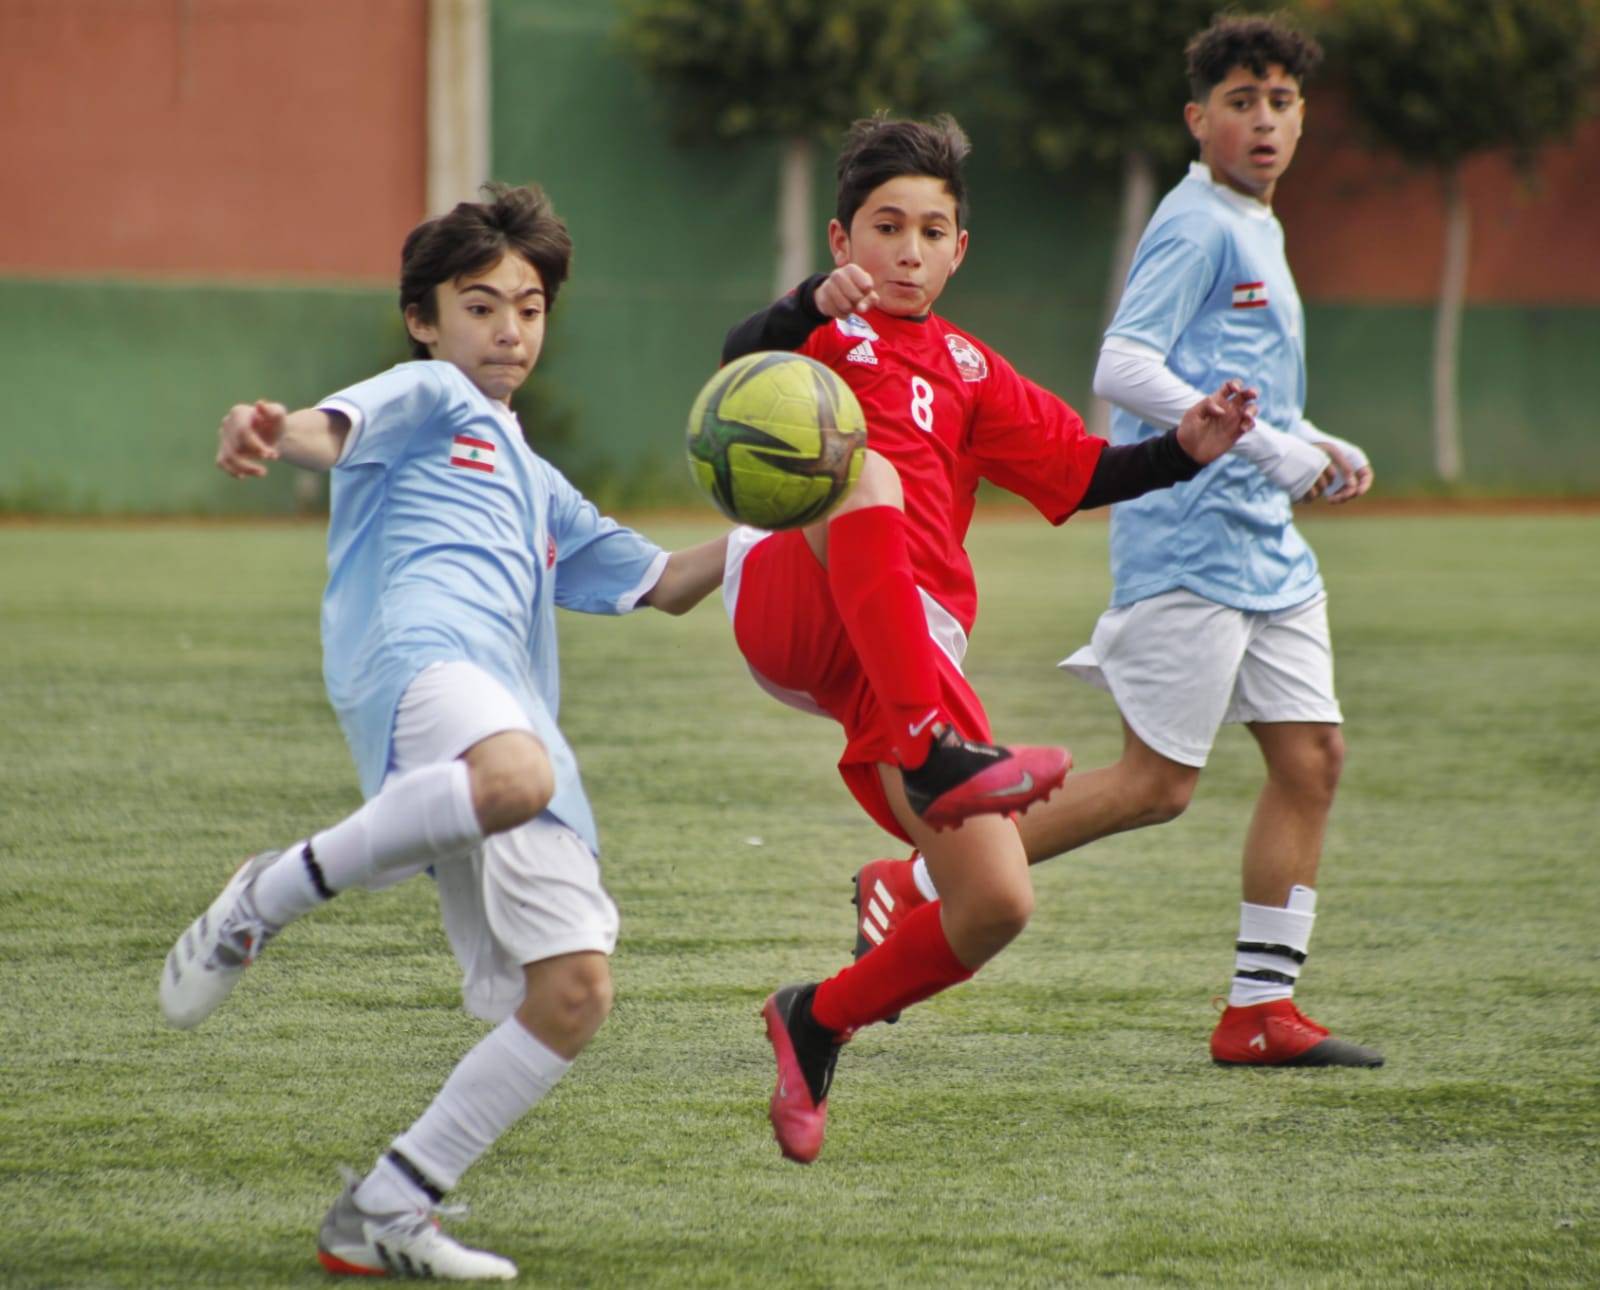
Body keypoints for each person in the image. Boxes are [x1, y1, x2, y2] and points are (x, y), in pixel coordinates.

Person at [158, 183, 728, 1280]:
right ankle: (267, 894)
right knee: (512, 775)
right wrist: (271, 429)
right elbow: (331, 430)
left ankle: (385, 1208)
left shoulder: (538, 481)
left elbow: (661, 582)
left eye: (529, 308)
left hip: (513, 708)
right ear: (424, 319)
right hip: (424, 662)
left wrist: (790, 525)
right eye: (480, 306)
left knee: (572, 993)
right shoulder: (426, 393)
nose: (509, 329)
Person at [719, 114, 1257, 1163]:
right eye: (885, 228)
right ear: (841, 240)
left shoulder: (968, 365)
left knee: (997, 902)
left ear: (959, 248)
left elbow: (1079, 471)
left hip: (904, 654)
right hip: (796, 597)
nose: (907, 251)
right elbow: (737, 365)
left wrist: (1183, 451)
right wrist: (801, 307)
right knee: (860, 467)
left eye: (931, 232)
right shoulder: (820, 331)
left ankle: (816, 1019)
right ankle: (932, 746)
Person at [852, 16, 1384, 1071]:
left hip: (1266, 547)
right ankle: (913, 880)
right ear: (1197, 118)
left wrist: (1311, 441)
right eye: (1240, 101)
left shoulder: (1257, 223)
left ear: (1302, 117)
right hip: (1191, 541)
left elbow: (1243, 386)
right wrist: (1272, 448)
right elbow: (1125, 366)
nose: (1264, 121)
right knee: (1156, 784)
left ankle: (1260, 1009)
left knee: (1311, 758)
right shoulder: (1195, 223)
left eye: (1281, 102)